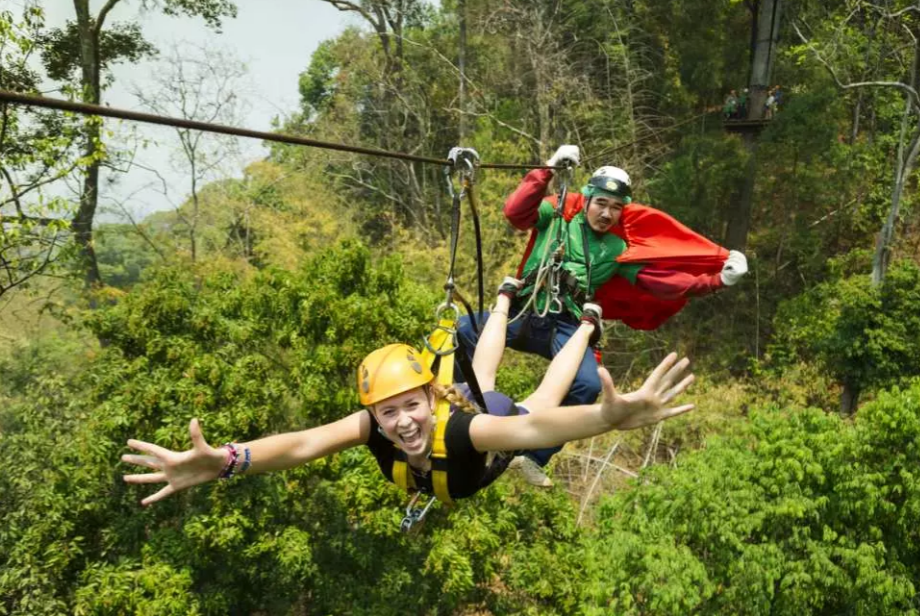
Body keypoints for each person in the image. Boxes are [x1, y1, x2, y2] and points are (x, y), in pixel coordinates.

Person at [121, 284, 695, 507]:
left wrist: (606, 418)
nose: (401, 424)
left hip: (483, 429)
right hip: (464, 413)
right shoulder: (375, 425)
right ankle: (502, 300)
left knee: (539, 397)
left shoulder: (466, 429)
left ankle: (589, 325)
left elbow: (533, 432)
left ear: (430, 397)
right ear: (373, 412)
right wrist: (224, 462)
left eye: (410, 406)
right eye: (388, 412)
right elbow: (301, 445)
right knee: (486, 375)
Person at [454, 144, 747, 486]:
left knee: (588, 383)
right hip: (525, 312)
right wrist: (547, 169)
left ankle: (531, 455)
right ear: (588, 199)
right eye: (602, 204)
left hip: (564, 325)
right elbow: (515, 212)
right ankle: (459, 401)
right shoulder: (555, 215)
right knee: (463, 330)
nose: (607, 214)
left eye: (616, 208)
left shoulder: (616, 249)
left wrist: (715, 280)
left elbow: (661, 283)